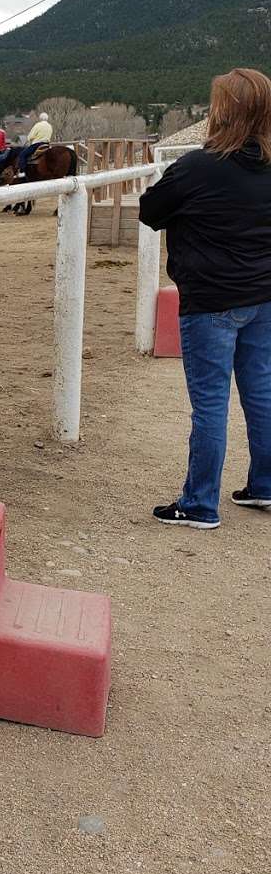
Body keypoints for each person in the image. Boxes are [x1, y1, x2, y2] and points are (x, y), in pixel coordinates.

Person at [139, 67, 271, 529]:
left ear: (221, 112)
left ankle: (199, 504)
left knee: (211, 402)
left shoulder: (196, 167)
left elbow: (150, 211)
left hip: (211, 301)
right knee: (262, 392)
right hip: (264, 297)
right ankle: (264, 485)